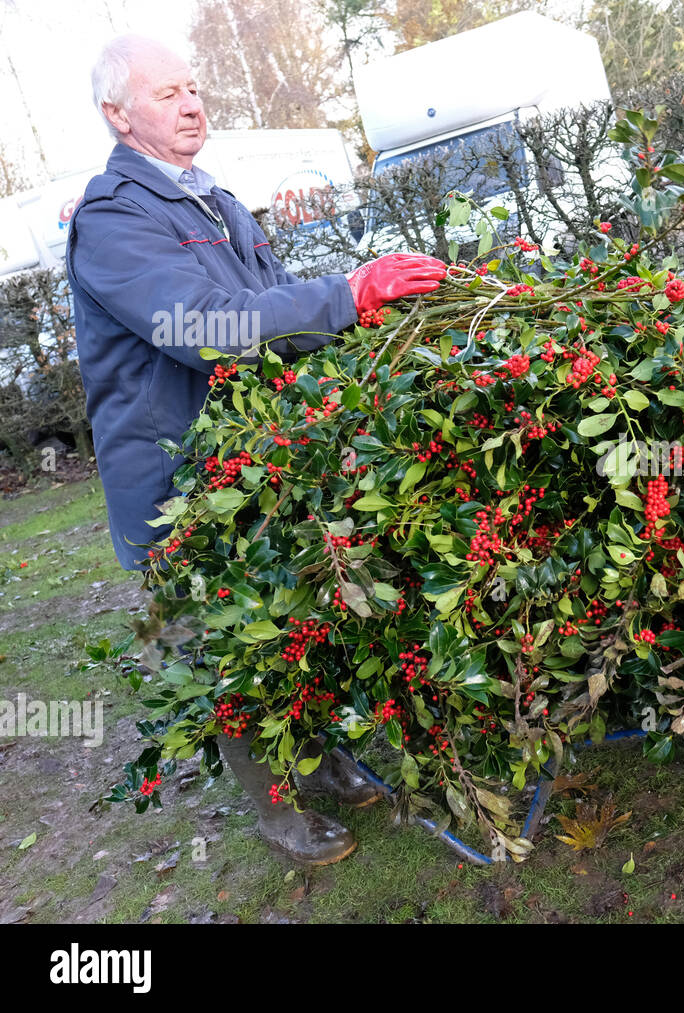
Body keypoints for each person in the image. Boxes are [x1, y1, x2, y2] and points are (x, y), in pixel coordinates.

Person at [67, 34, 442, 865]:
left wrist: (358, 313)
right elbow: (201, 329)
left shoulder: (216, 201)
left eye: (195, 87)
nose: (194, 103)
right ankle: (278, 812)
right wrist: (345, 295)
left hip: (252, 465)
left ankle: (325, 757)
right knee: (228, 651)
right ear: (118, 116)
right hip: (178, 481)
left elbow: (272, 308)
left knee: (291, 618)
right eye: (168, 94)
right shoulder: (112, 219)